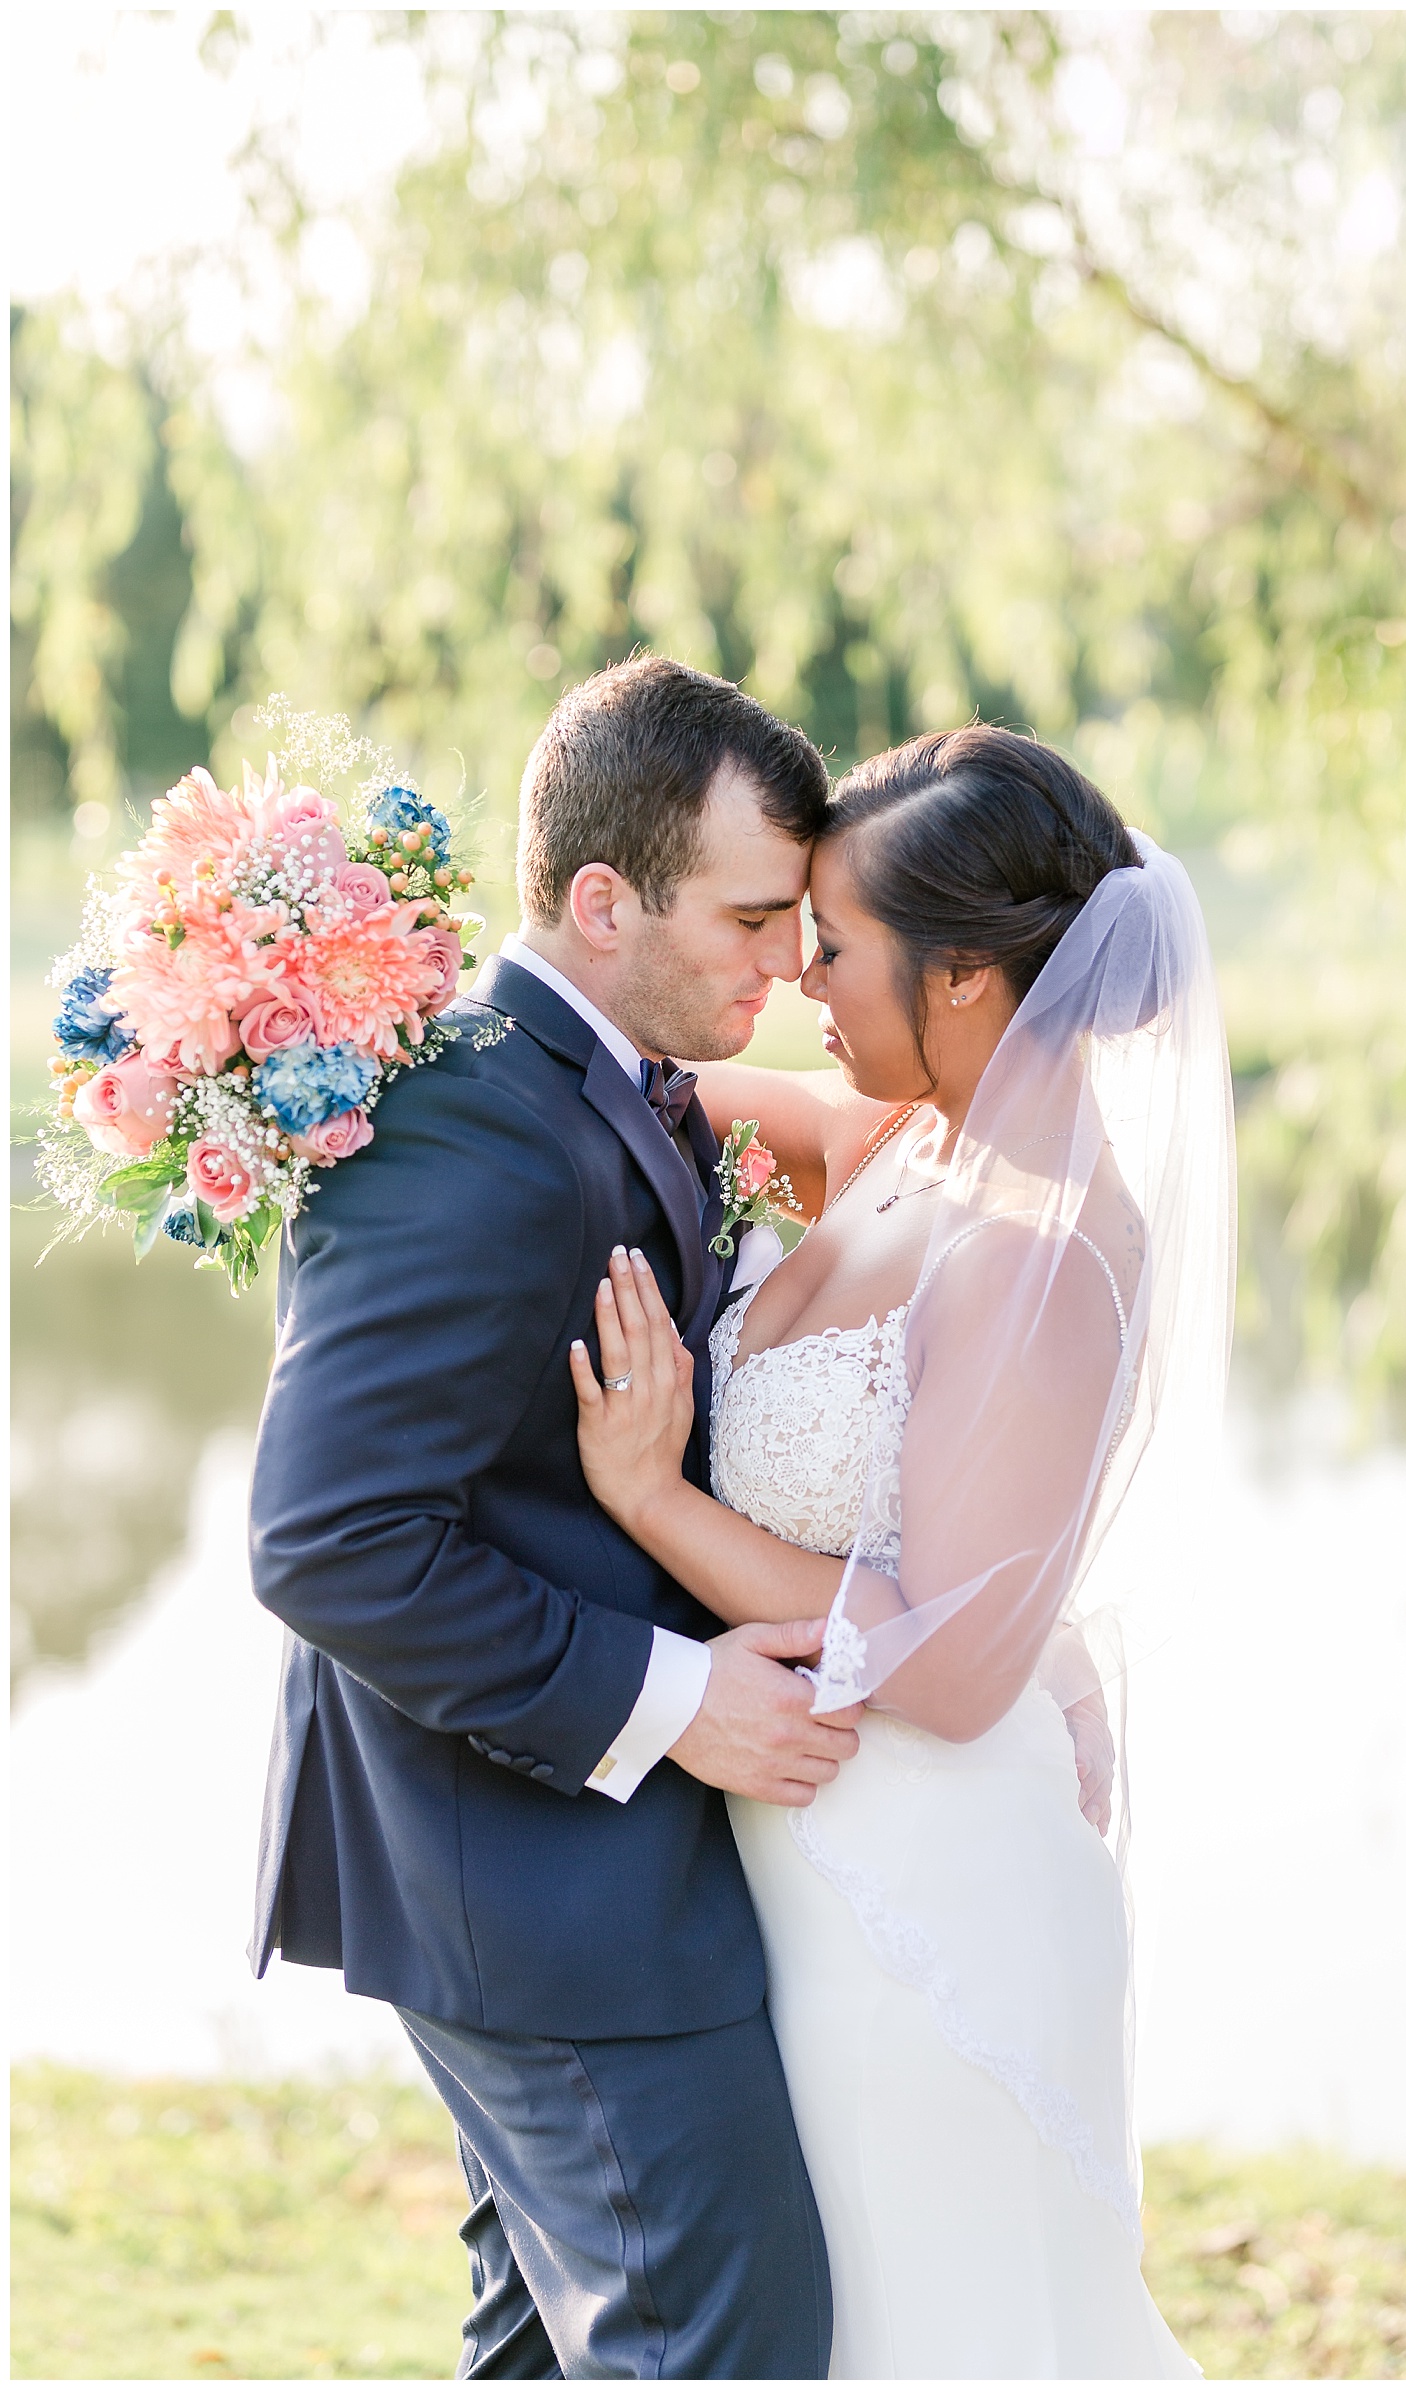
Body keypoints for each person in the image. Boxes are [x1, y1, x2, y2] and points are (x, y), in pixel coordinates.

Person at [570, 726, 1234, 2379]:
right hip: (802, 1859)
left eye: (838, 943)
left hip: (931, 1902)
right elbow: (608, 1068)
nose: (799, 973)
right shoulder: (899, 1145)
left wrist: (659, 1499)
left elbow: (949, 1659)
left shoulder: (1050, 1252)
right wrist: (311, 1014)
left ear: (961, 982)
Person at [248, 655, 858, 2380]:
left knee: (545, 2352)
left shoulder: (593, 1081)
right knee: (726, 2346)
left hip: (557, 1886)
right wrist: (677, 1699)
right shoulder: (469, 1124)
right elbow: (326, 1538)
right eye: (751, 918)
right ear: (604, 901)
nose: (784, 963)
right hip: (545, 1903)